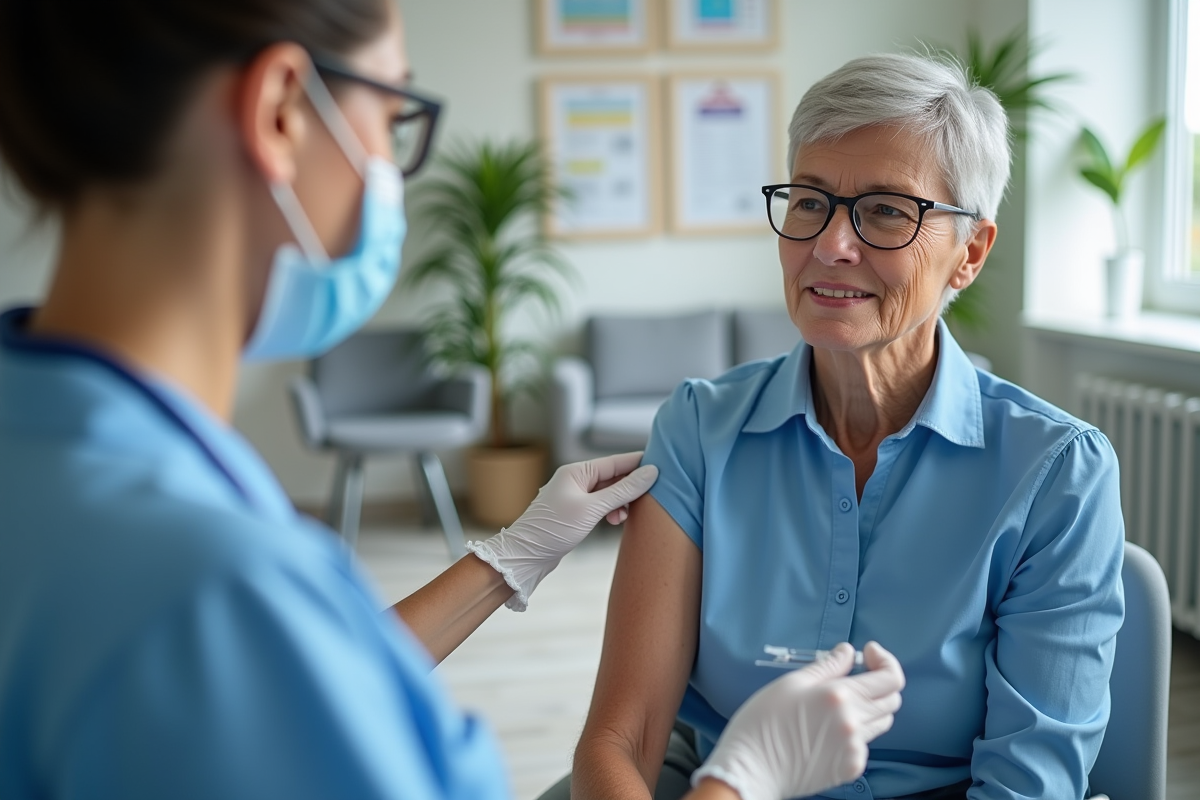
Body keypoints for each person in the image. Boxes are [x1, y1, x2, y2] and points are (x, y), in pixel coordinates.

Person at [0, 2, 904, 799]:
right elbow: (265, 666)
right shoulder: (213, 589)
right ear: (281, 110)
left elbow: (298, 685)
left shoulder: (56, 457)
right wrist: (736, 783)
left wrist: (506, 560)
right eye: (394, 117)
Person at [556, 53, 1125, 800]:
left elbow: (1027, 788)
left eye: (888, 209)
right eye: (809, 201)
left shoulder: (1056, 473)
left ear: (970, 255)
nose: (830, 244)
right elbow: (618, 742)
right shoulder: (700, 429)